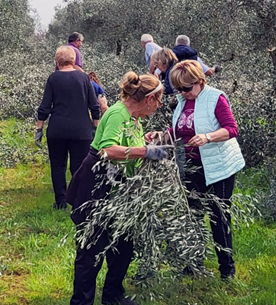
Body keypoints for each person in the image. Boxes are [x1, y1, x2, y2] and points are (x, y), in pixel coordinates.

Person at [66, 72, 171, 305]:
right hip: (97, 183)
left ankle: (113, 296)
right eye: (159, 99)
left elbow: (127, 143)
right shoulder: (117, 113)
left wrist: (145, 140)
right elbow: (108, 151)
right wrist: (145, 152)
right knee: (91, 246)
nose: (159, 105)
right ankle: (81, 301)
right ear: (149, 98)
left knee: (123, 244)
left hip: (121, 188)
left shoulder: (134, 118)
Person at [161, 59, 244, 280]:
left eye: (186, 88)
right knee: (193, 214)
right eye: (178, 89)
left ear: (200, 81)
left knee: (218, 216)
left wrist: (208, 137)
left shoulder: (216, 97)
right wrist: (163, 134)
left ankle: (227, 269)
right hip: (191, 166)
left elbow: (231, 129)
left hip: (219, 167)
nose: (183, 92)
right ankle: (193, 263)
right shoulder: (182, 99)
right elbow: (181, 126)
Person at [36, 46, 101, 209]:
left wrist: (39, 128)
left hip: (57, 129)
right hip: (81, 130)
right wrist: (96, 127)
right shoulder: (84, 78)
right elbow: (94, 105)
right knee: (79, 166)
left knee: (58, 165)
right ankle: (78, 200)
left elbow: (45, 106)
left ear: (57, 61)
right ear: (74, 60)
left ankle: (60, 201)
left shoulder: (53, 78)